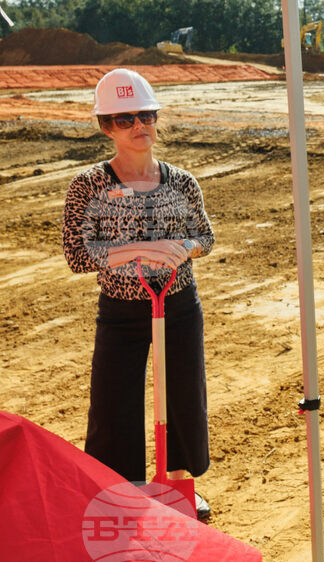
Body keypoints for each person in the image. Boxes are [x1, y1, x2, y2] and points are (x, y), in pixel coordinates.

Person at [62, 68, 215, 520]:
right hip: (121, 312)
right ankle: (122, 489)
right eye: (125, 118)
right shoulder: (88, 186)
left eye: (146, 115)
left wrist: (184, 248)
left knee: (185, 396)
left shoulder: (182, 181)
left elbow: (205, 237)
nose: (139, 126)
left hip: (179, 305)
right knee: (114, 400)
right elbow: (76, 253)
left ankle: (182, 486)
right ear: (106, 127)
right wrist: (138, 250)